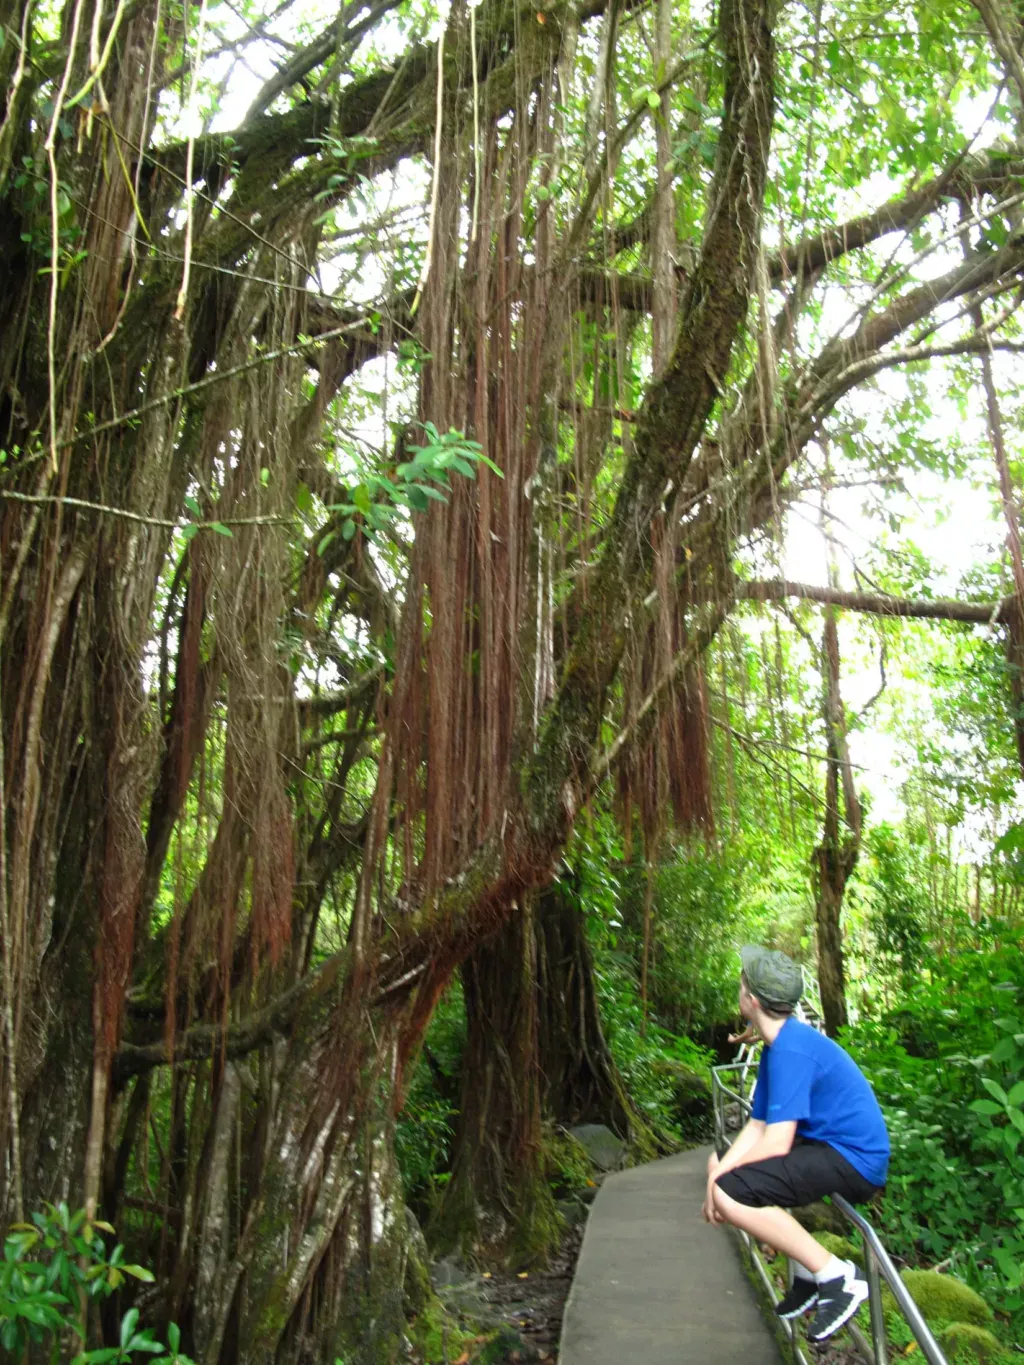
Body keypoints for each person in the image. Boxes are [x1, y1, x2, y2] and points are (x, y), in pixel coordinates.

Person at [702, 945, 890, 1342]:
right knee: (720, 1169)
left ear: (751, 1000)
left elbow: (775, 1143)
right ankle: (806, 1273)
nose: (738, 989)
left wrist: (720, 1190)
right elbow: (756, 1125)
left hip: (855, 1160)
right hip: (827, 1147)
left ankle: (838, 1277)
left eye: (741, 984)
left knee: (732, 1193)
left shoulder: (791, 1049)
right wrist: (716, 1173)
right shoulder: (777, 1045)